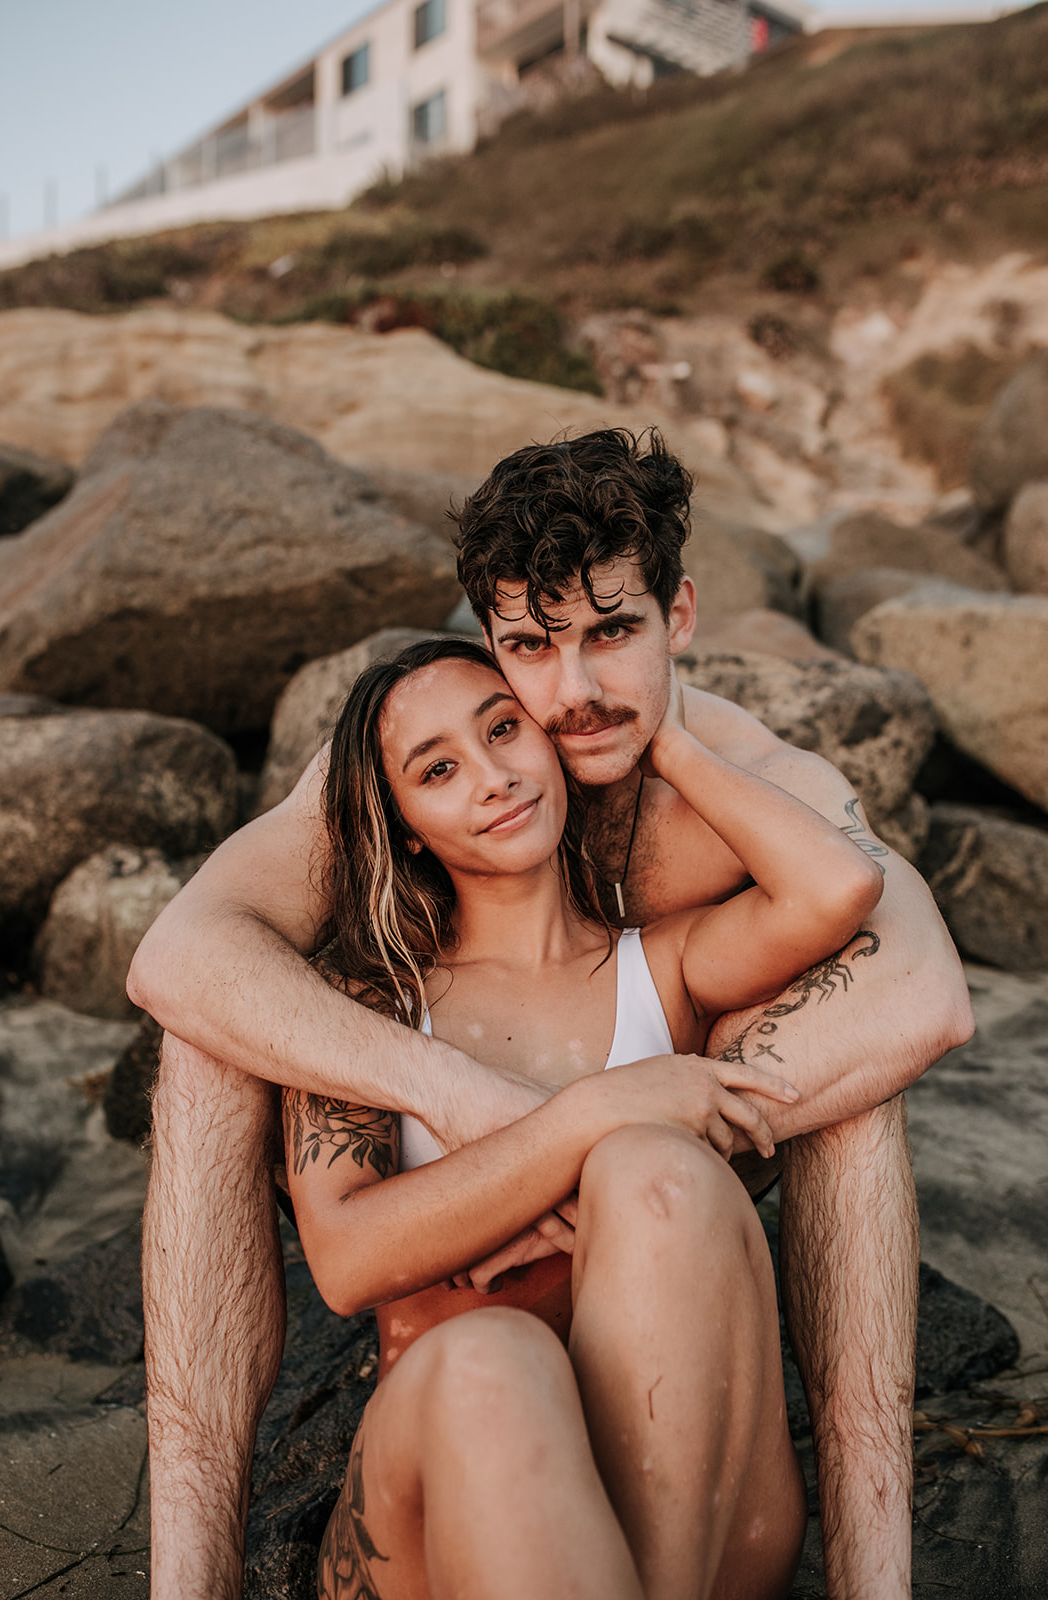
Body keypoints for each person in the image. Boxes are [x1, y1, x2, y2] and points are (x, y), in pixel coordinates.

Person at [130, 428, 974, 1600]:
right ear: (490, 644)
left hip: (681, 1271)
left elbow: (917, 988)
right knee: (211, 1035)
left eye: (612, 634)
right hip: (467, 1368)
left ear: (677, 615)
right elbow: (181, 953)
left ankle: (872, 1577)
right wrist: (523, 1116)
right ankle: (189, 1574)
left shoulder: (742, 781)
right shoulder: (403, 779)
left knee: (784, 1124)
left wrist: (648, 1127)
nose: (570, 696)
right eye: (528, 649)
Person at [285, 632, 885, 1600]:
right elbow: (349, 1259)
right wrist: (589, 1114)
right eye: (437, 769)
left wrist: (668, 738)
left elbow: (837, 887)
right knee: (492, 1354)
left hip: (698, 1515)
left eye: (504, 730)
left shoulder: (666, 963)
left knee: (658, 1171)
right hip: (463, 1503)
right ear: (400, 822)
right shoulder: (370, 1002)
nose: (491, 778)